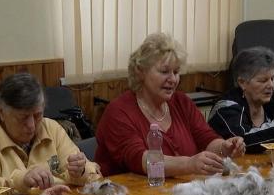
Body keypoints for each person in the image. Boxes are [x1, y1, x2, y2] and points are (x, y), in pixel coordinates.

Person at [95, 33, 245, 176]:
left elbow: (206, 139)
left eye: (176, 72)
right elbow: (140, 160)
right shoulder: (118, 111)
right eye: (164, 71)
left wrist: (224, 147)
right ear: (140, 72)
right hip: (129, 192)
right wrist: (189, 164)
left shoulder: (182, 102)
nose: (173, 79)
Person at [0, 73, 101, 195]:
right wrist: (19, 182)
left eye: (37, 115)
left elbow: (94, 176)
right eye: (23, 118)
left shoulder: (52, 128)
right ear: (2, 113)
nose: (32, 126)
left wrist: (80, 171)